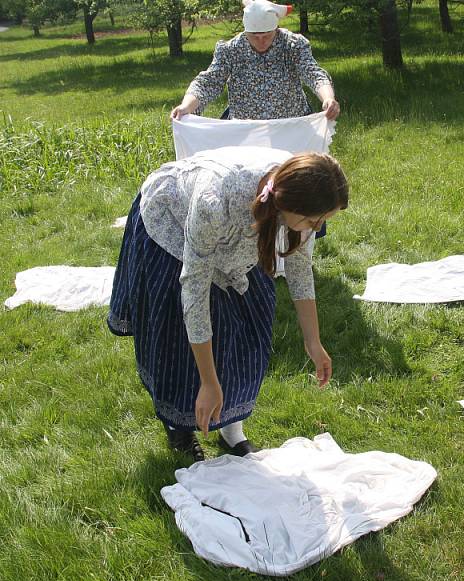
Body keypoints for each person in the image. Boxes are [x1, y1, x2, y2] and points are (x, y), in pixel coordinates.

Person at [107, 147, 349, 462]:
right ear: (284, 204)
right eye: (312, 220)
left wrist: (313, 342)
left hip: (233, 236)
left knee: (247, 334)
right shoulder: (214, 203)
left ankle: (232, 431)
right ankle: (179, 427)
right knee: (178, 342)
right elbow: (193, 290)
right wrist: (209, 382)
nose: (316, 227)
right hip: (173, 221)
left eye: (322, 221)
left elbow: (299, 268)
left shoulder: (299, 191)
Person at [170, 0, 340, 122]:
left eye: (267, 36)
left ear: (276, 29)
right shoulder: (230, 50)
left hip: (292, 125)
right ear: (246, 33)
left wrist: (328, 98)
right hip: (245, 128)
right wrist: (186, 107)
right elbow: (208, 82)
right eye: (254, 36)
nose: (261, 41)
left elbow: (313, 73)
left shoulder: (293, 44)